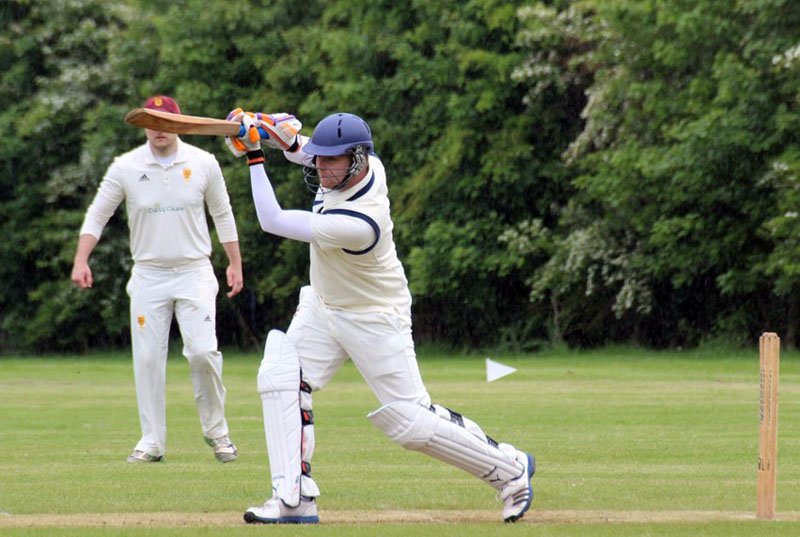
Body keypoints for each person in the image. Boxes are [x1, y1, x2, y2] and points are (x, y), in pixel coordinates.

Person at [223, 109, 535, 524]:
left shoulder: (360, 222)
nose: (321, 167)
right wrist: (271, 129)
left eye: (332, 160)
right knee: (280, 374)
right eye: (321, 158)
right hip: (324, 306)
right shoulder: (365, 163)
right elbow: (302, 149)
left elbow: (272, 220)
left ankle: (510, 469)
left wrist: (254, 154)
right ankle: (293, 500)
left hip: (374, 316)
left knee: (411, 422)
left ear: (356, 160)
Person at [71, 95, 243, 464]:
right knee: (148, 359)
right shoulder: (126, 167)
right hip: (149, 275)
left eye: (165, 121)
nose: (158, 129)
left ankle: (218, 433)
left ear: (179, 125)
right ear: (143, 126)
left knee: (202, 352)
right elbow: (98, 214)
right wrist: (81, 259)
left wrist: (234, 263)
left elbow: (223, 214)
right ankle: (151, 441)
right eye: (152, 122)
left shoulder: (203, 163)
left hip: (194, 271)